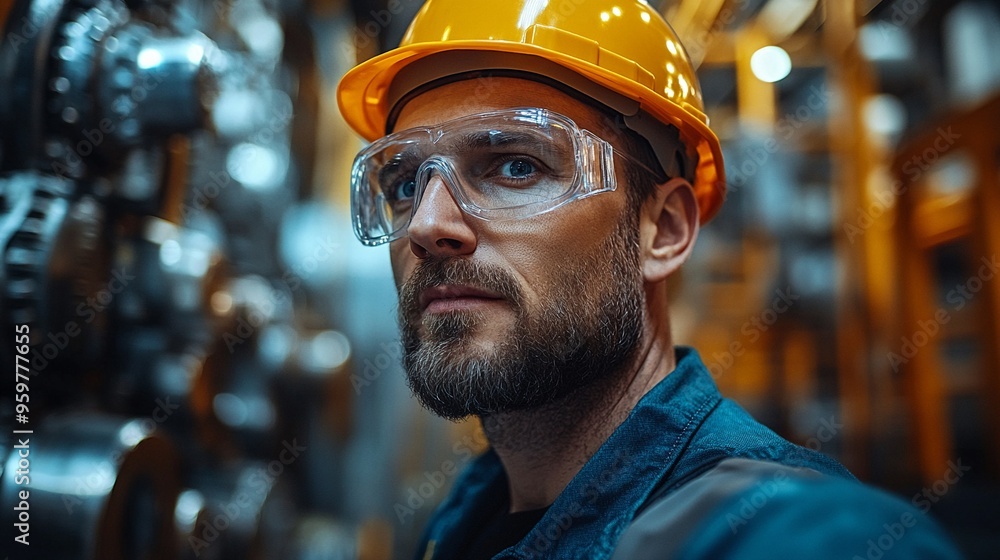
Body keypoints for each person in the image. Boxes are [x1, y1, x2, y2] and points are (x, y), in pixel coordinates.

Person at [337, 1, 963, 558]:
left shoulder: (797, 534)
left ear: (662, 230)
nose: (426, 224)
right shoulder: (461, 519)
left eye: (516, 166)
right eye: (402, 185)